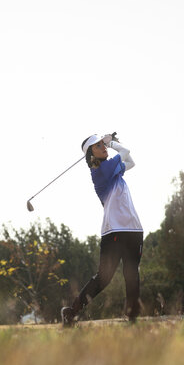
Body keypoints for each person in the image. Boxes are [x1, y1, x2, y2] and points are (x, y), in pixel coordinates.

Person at [61, 133, 144, 326]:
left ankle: (132, 318)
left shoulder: (112, 170)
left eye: (103, 144)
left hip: (133, 228)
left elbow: (130, 162)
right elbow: (125, 152)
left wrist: (111, 144)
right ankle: (71, 312)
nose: (103, 147)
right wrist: (112, 142)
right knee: (104, 278)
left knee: (132, 273)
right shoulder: (100, 172)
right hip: (113, 231)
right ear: (92, 154)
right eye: (99, 145)